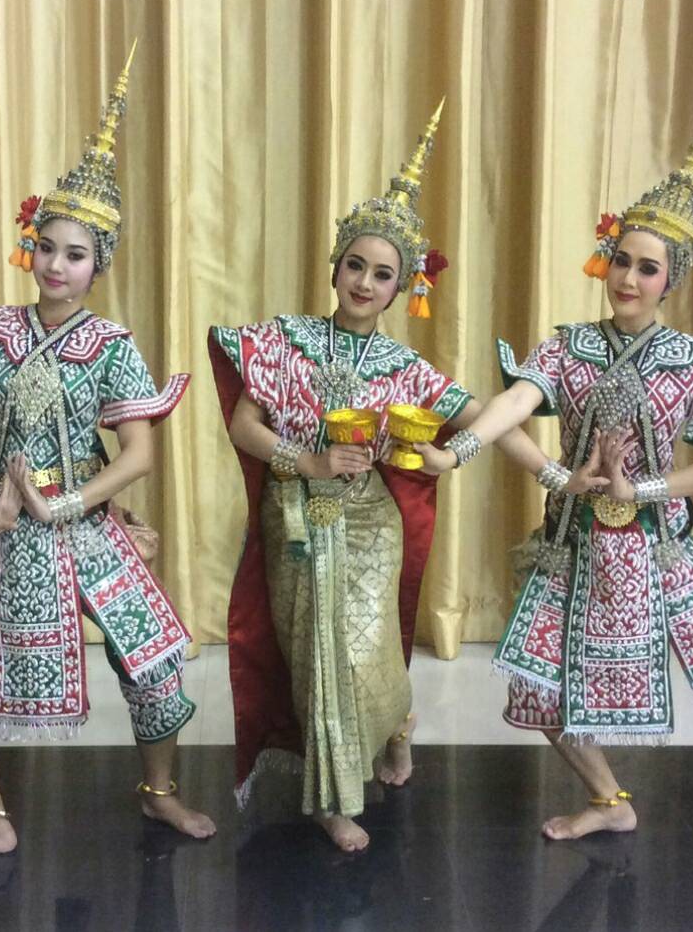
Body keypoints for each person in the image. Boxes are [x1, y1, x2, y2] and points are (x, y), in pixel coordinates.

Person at [0, 47, 216, 853]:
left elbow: (136, 456)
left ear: (99, 264)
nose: (56, 265)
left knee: (157, 667)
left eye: (75, 253)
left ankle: (159, 792)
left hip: (84, 521)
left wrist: (62, 504)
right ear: (28, 247)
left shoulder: (109, 342)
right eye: (47, 247)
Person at [418, 74, 693, 839]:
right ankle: (608, 799)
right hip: (576, 541)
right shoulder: (569, 345)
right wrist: (465, 453)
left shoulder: (692, 358)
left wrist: (640, 488)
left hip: (663, 540)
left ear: (670, 279)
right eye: (620, 260)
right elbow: (512, 405)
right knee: (540, 689)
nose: (628, 278)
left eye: (647, 267)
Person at [210, 102, 539, 852]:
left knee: (369, 649)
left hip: (368, 521)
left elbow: (489, 416)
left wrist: (531, 467)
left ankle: (396, 723)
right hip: (296, 515)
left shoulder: (406, 368)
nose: (364, 281)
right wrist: (307, 461)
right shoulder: (285, 339)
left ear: (401, 289)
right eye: (355, 265)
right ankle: (333, 796)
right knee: (314, 658)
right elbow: (243, 426)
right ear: (335, 267)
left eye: (382, 273)